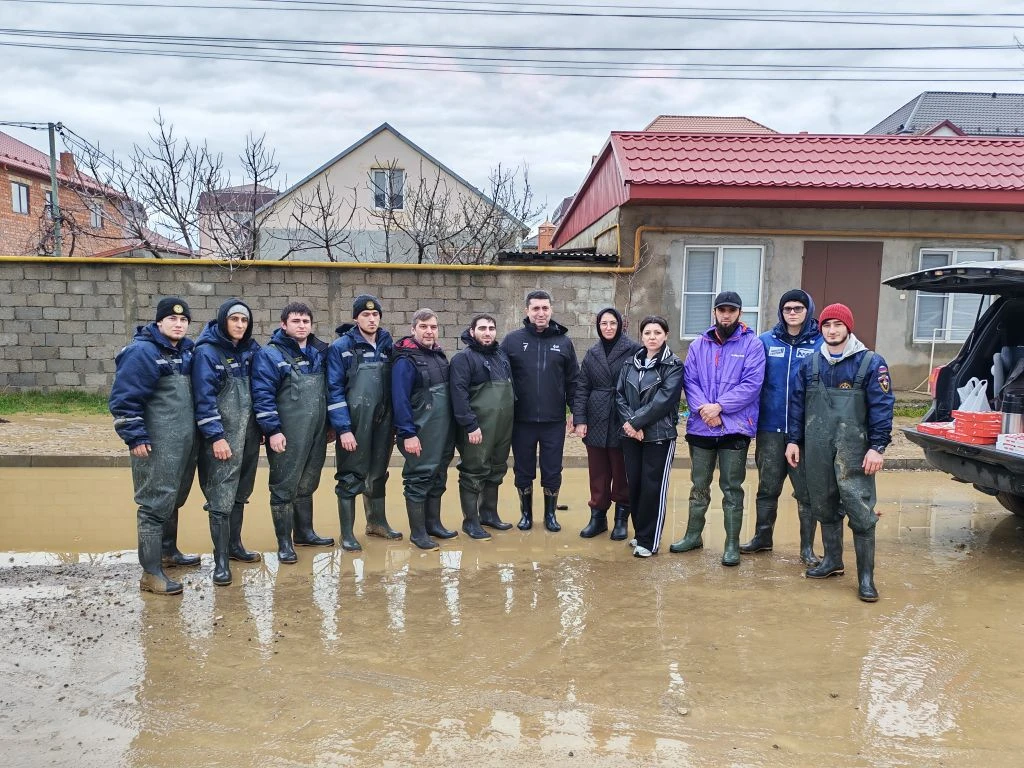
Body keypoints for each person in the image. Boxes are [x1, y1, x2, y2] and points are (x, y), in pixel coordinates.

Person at [785, 303, 894, 602]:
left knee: (860, 509)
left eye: (838, 325)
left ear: (849, 327)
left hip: (855, 448)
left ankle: (866, 580)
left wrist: (877, 447)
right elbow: (796, 405)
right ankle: (832, 561)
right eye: (826, 326)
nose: (832, 331)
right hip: (816, 445)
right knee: (824, 503)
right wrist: (793, 440)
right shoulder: (809, 365)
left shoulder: (871, 363)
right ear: (820, 330)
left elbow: (882, 408)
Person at [109, 297, 198, 595]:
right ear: (159, 322)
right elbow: (124, 399)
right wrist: (134, 436)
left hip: (183, 442)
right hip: (155, 442)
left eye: (183, 320)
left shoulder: (185, 351)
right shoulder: (142, 352)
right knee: (153, 504)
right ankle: (150, 573)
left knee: (173, 498)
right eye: (172, 320)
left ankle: (168, 553)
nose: (178, 324)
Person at [670, 291, 765, 566]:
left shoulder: (752, 345)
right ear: (714, 313)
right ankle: (692, 535)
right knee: (699, 485)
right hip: (702, 427)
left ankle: (732, 543)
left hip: (734, 427)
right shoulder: (699, 344)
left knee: (732, 488)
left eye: (731, 311)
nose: (726, 315)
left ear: (739, 313)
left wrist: (720, 407)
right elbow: (690, 380)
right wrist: (703, 409)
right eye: (721, 310)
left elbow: (751, 384)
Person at [740, 289, 823, 565]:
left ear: (808, 311)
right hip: (770, 429)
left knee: (806, 492)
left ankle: (807, 549)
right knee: (767, 487)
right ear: (781, 312)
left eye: (798, 308)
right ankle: (763, 537)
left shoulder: (822, 343)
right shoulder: (764, 341)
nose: (792, 313)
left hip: (805, 432)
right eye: (788, 309)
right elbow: (750, 380)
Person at [251, 302, 335, 564]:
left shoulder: (318, 353)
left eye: (305, 321)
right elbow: (262, 395)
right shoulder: (270, 355)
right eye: (296, 321)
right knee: (284, 485)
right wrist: (272, 430)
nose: (301, 326)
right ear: (283, 325)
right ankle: (284, 542)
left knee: (308, 482)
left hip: (317, 431)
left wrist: (331, 425)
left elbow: (329, 390)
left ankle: (304, 532)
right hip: (287, 432)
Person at [191, 298, 262, 587]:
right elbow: (203, 398)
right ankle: (220, 561)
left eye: (244, 321)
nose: (240, 325)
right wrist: (216, 436)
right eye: (234, 319)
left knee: (240, 493)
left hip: (248, 435)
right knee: (220, 498)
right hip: (222, 438)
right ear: (223, 321)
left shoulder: (251, 351)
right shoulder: (207, 353)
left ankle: (235, 546)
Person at [327, 294, 401, 552]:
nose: (371, 319)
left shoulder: (387, 344)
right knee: (351, 475)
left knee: (378, 473)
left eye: (375, 315)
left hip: (383, 419)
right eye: (366, 315)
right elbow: (334, 390)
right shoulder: (341, 347)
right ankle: (347, 533)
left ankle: (376, 523)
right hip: (356, 422)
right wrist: (343, 429)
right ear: (355, 318)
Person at [500, 290, 579, 532]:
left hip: (553, 421)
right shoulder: (512, 341)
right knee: (523, 469)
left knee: (552, 469)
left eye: (545, 308)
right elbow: (501, 377)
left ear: (551, 310)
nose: (541, 313)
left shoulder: (564, 342)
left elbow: (573, 381)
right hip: (521, 421)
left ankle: (550, 515)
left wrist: (575, 412)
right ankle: (526, 514)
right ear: (527, 311)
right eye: (535, 308)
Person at [615, 316, 684, 557]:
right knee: (635, 485)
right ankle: (640, 534)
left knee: (653, 488)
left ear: (666, 335)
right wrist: (630, 426)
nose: (652, 337)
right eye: (647, 333)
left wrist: (635, 422)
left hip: (659, 436)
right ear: (641, 336)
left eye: (657, 332)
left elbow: (663, 401)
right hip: (631, 436)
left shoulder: (673, 365)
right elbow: (620, 396)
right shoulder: (629, 364)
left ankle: (650, 541)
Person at [573, 307, 642, 540]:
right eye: (604, 324)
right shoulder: (592, 353)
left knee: (621, 470)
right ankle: (597, 517)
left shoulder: (633, 349)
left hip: (622, 415)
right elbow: (582, 387)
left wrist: (637, 418)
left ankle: (621, 519)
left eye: (613, 323)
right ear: (598, 326)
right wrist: (580, 419)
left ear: (621, 325)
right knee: (598, 472)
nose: (608, 327)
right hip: (596, 416)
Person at [392, 308, 458, 550]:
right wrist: (408, 434)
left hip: (442, 431)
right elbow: (399, 399)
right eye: (423, 327)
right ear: (413, 329)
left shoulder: (439, 356)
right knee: (418, 479)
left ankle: (434, 524)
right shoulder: (405, 360)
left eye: (433, 327)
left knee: (438, 475)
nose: (429, 331)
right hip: (420, 430)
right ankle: (418, 533)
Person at [450, 313, 515, 540]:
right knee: (473, 471)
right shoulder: (463, 359)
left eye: (491, 328)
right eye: (482, 328)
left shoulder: (501, 356)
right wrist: (470, 425)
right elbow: (458, 395)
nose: (487, 333)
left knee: (496, 469)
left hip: (502, 427)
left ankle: (489, 514)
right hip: (478, 428)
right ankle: (471, 521)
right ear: (472, 332)